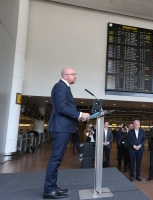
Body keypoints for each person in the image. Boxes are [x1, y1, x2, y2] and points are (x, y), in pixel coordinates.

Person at [43, 68, 90, 199]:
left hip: (63, 127)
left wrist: (77, 117)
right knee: (55, 159)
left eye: (75, 73)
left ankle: (52, 186)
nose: (76, 76)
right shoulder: (60, 86)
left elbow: (65, 107)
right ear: (65, 75)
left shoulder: (65, 87)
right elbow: (61, 107)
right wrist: (80, 114)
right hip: (60, 128)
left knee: (57, 159)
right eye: (73, 74)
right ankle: (49, 190)